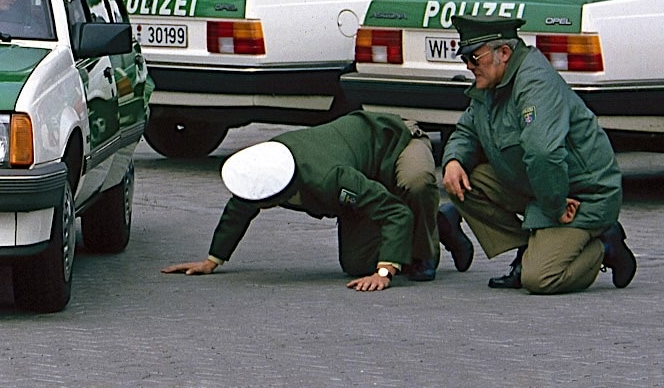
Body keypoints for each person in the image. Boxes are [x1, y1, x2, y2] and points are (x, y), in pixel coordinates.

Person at [436, 15, 636, 293]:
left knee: (540, 279)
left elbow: (544, 154)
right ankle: (530, 250)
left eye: (473, 58)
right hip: (542, 187)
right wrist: (453, 161)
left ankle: (606, 245)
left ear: (503, 53)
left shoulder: (535, 83)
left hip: (582, 196)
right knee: (465, 181)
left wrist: (554, 209)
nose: (469, 67)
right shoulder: (493, 83)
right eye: (464, 59)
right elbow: (467, 131)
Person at [163, 110, 440, 291]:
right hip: (363, 175)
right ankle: (433, 225)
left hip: (395, 139)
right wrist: (212, 260)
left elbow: (394, 213)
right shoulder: (268, 167)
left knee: (417, 185)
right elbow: (239, 208)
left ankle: (428, 246)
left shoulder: (329, 178)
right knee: (356, 265)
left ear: (278, 197)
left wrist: (384, 271)